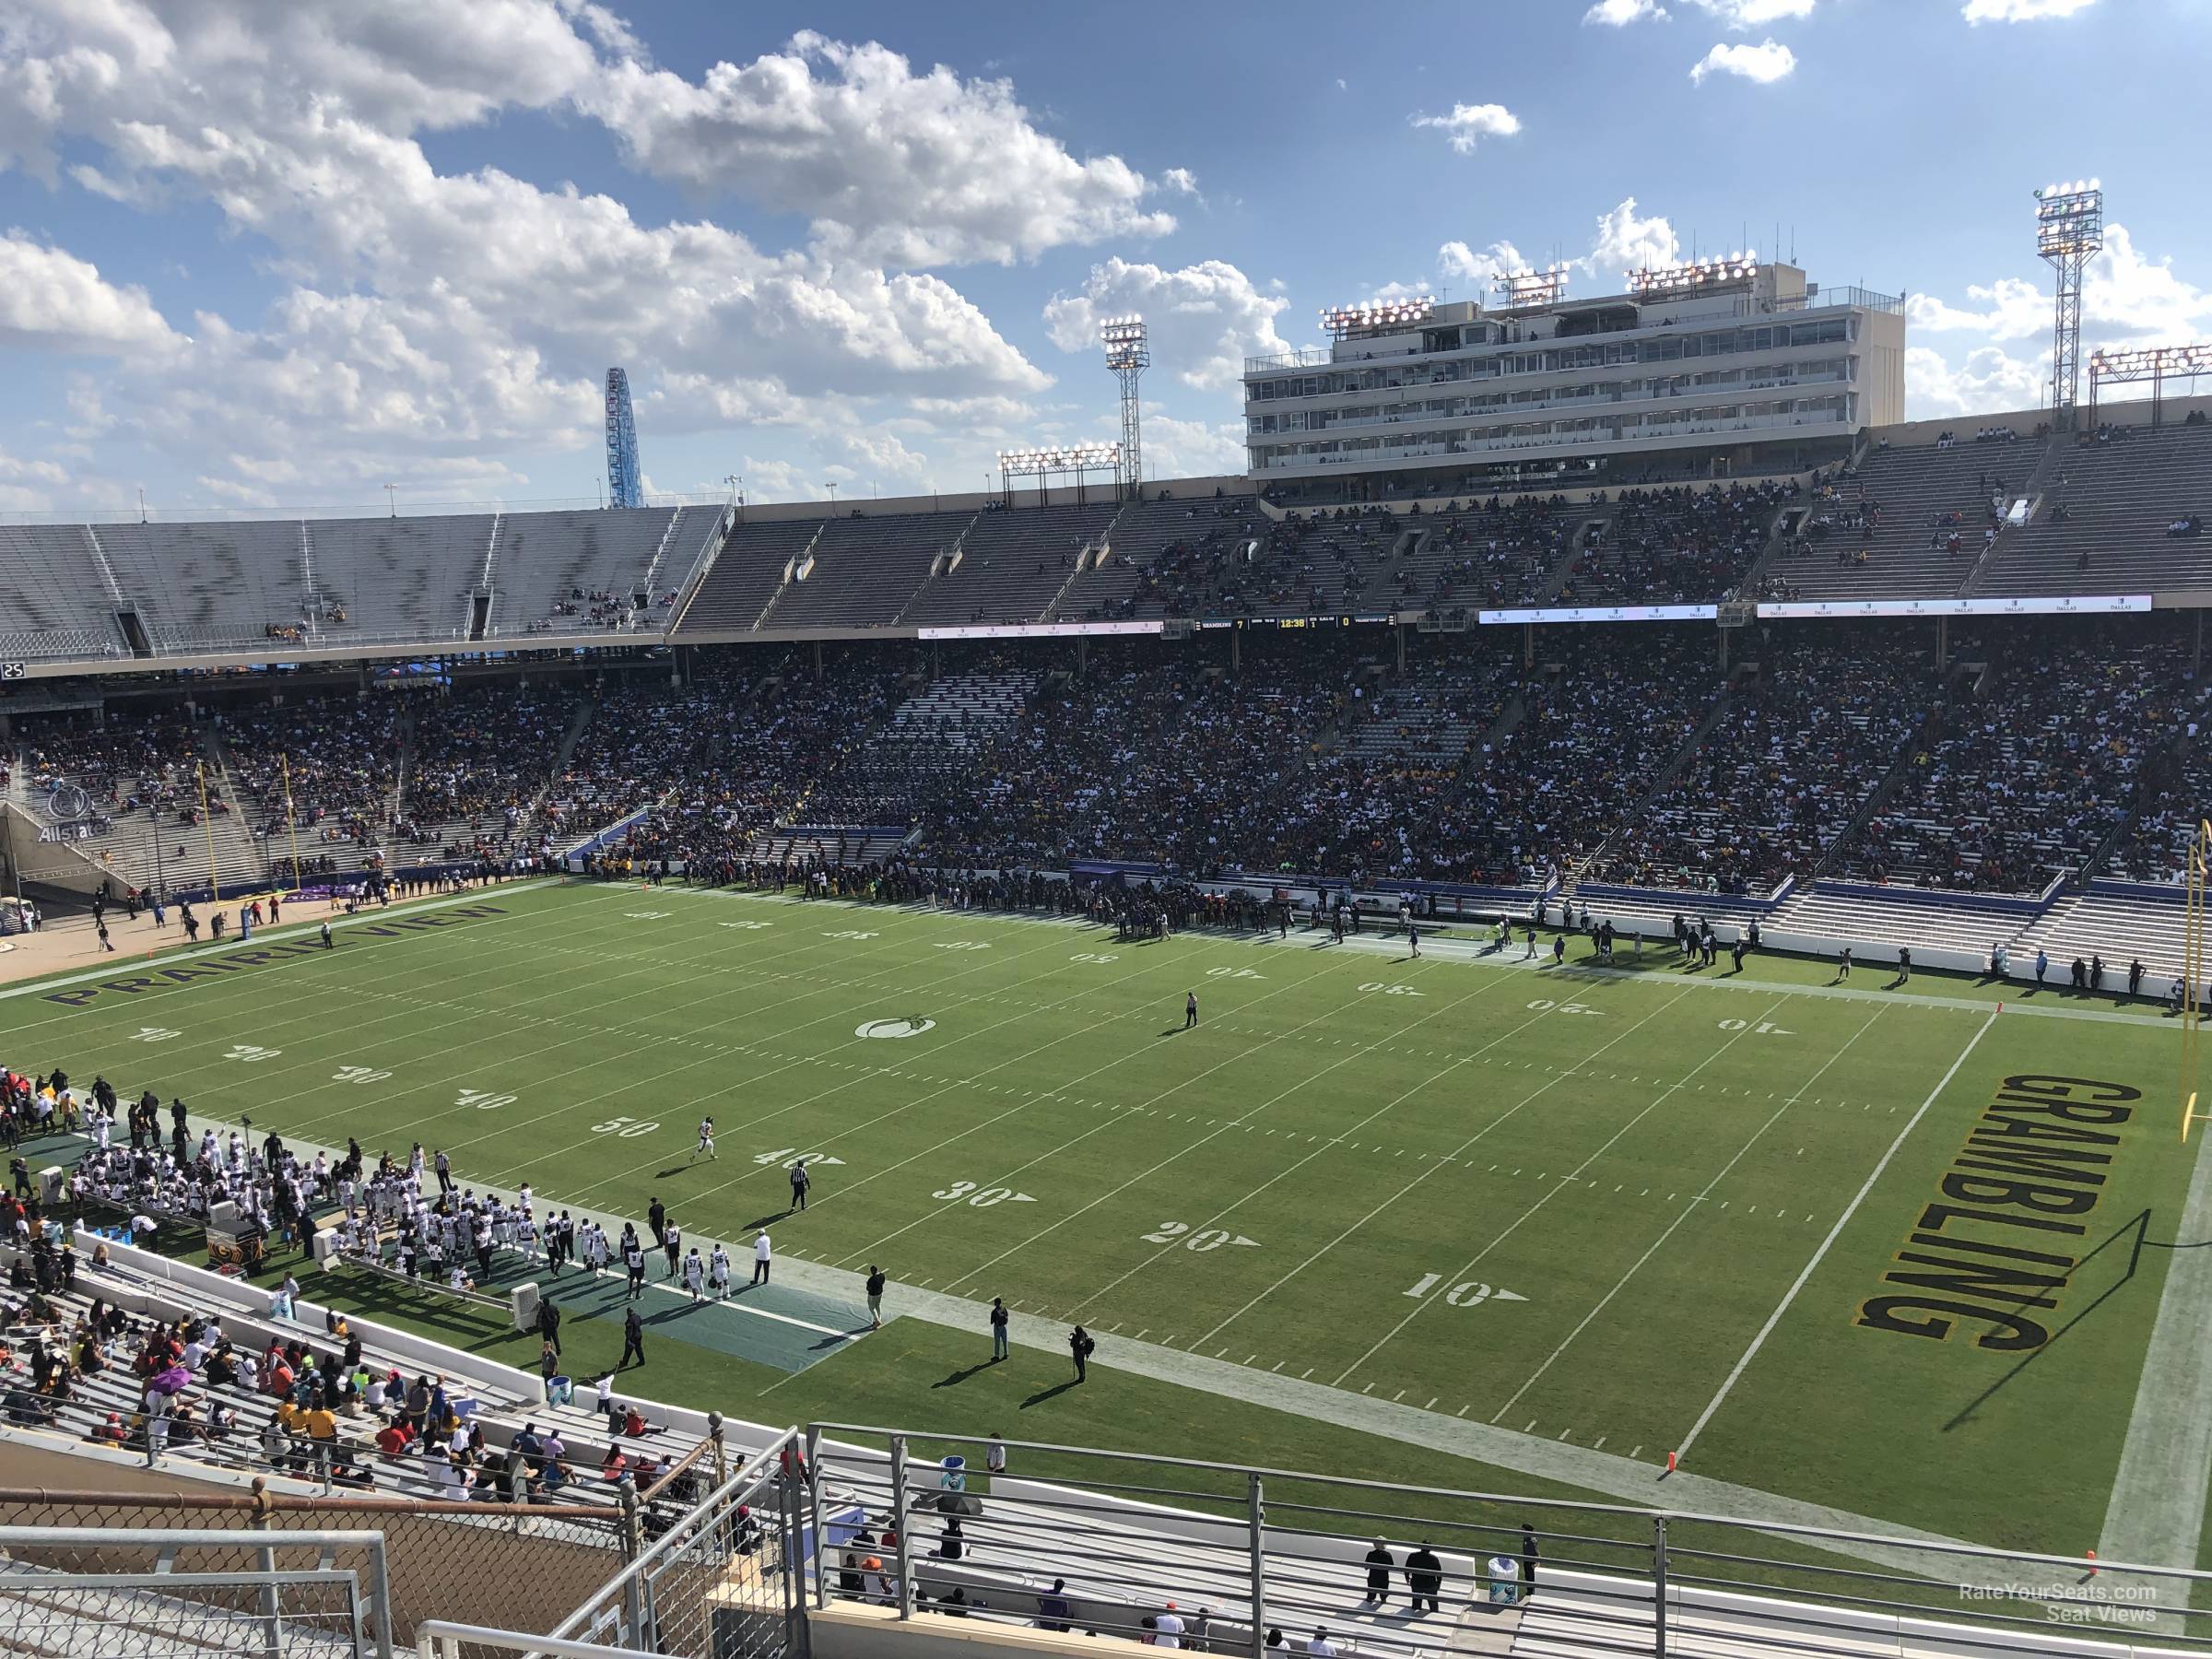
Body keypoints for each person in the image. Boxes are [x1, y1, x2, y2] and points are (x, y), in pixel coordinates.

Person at [1406, 1540, 1443, 1613]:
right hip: (1430, 1584)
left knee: (1416, 1603)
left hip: (1416, 1583)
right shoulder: (1433, 1559)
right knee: (1433, 1604)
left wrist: (1407, 1578)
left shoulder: (1413, 1556)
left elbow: (1406, 1568)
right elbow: (1439, 1573)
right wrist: (1438, 1583)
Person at [1364, 1538, 1394, 1606]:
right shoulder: (1388, 1555)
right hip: (1383, 1577)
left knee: (1371, 1593)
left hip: (1373, 1576)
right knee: (1383, 1592)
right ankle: (1383, 1599)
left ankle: (1369, 1601)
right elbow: (1391, 1566)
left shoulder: (1371, 1554)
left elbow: (1366, 1567)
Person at [619, 1306, 645, 1370]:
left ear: (628, 1312)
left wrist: (628, 1339)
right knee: (639, 1349)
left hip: (632, 1337)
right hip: (639, 1335)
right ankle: (642, 1361)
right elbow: (640, 1323)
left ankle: (625, 1362)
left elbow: (629, 1331)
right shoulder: (637, 1316)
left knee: (628, 1350)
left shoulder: (630, 1320)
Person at [1521, 1521, 1540, 1596]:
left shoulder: (1532, 1540)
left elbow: (1537, 1552)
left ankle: (1531, 1593)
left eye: (1523, 1529)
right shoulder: (1526, 1537)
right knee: (1527, 1576)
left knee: (1531, 1577)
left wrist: (1537, 1562)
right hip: (1526, 1560)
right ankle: (1529, 1591)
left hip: (1531, 1562)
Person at [865, 1264, 886, 1329]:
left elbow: (868, 1288)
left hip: (872, 1295)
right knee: (878, 1305)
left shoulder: (871, 1279)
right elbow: (883, 1282)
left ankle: (877, 1320)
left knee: (871, 1307)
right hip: (880, 1293)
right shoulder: (882, 1275)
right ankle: (878, 1319)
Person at [989, 1297, 1009, 1361]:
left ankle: (996, 1355)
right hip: (1004, 1326)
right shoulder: (1003, 1308)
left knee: (997, 1342)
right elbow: (1007, 1316)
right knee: (1005, 1341)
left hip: (997, 1327)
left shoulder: (994, 1311)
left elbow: (992, 1322)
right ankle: (1006, 1353)